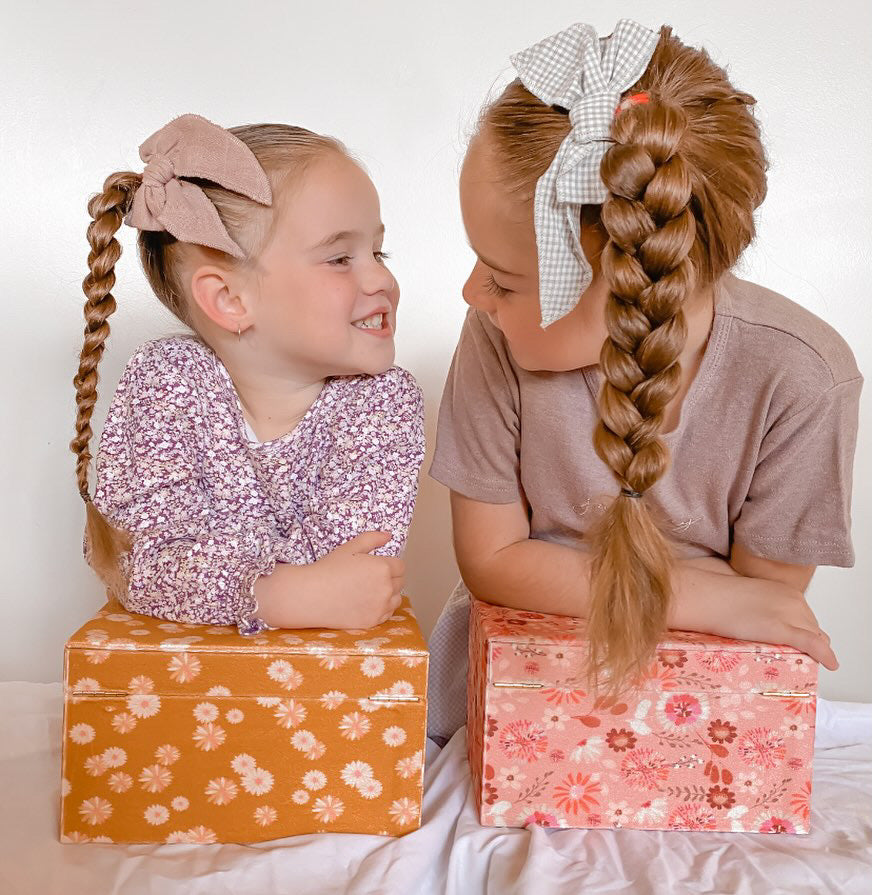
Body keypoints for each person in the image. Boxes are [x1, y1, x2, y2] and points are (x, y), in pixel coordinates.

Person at [427, 20, 862, 744]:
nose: (474, 292)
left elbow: (767, 601)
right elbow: (492, 560)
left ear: (634, 280)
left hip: (698, 715)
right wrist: (702, 594)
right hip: (515, 694)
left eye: (503, 277)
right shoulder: (496, 336)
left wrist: (716, 604)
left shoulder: (802, 376)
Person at [71, 114, 424, 635]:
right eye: (340, 258)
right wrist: (275, 594)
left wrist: (199, 568)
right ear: (229, 300)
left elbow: (355, 568)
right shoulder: (164, 382)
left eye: (379, 251)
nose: (384, 278)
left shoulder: (383, 402)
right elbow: (131, 561)